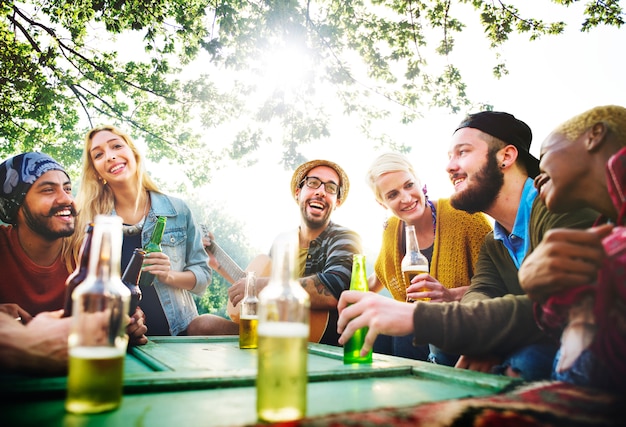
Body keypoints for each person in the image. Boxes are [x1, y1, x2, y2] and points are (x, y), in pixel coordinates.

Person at [337, 111, 597, 381]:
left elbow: (559, 306)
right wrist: (480, 339)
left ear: (505, 156)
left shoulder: (562, 207)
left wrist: (418, 316)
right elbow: (481, 292)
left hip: (588, 346)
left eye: (462, 152)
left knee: (527, 361)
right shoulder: (494, 243)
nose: (449, 167)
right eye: (449, 157)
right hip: (527, 334)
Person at [0, 152, 146, 374]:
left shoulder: (86, 252)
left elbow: (115, 309)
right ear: (15, 205)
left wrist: (128, 322)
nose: (67, 199)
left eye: (67, 189)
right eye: (48, 190)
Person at [190, 159, 363, 346]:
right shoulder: (283, 242)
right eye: (313, 183)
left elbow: (333, 289)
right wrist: (218, 264)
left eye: (330, 188)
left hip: (317, 343)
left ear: (337, 201)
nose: (321, 191)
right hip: (273, 333)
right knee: (202, 325)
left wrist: (259, 285)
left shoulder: (345, 238)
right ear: (298, 192)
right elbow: (261, 295)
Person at [519, 105, 626, 393]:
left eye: (544, 157)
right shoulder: (600, 229)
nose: (537, 177)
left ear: (595, 135)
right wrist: (541, 291)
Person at [65, 126, 211, 337]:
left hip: (179, 335)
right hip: (120, 337)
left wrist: (169, 275)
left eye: (116, 146)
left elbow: (203, 276)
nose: (111, 156)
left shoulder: (178, 210)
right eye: (98, 154)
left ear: (133, 153)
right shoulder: (90, 221)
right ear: (96, 171)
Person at [365, 152, 492, 362]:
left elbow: (501, 286)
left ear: (419, 181)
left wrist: (450, 295)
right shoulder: (392, 231)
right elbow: (378, 278)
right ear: (382, 203)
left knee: (410, 330)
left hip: (466, 325)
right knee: (376, 331)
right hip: (418, 331)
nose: (406, 198)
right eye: (392, 195)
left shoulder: (466, 217)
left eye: (408, 185)